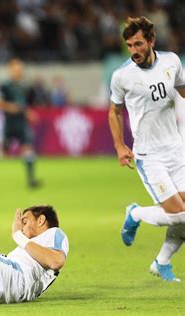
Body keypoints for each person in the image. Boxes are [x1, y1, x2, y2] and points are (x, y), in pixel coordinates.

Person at [108, 16, 185, 281]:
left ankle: (161, 262)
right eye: (129, 45)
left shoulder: (172, 62)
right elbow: (114, 112)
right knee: (178, 215)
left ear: (151, 41)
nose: (133, 50)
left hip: (177, 151)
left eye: (138, 44)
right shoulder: (122, 76)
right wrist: (120, 146)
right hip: (149, 156)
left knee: (184, 216)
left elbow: (183, 91)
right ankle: (136, 213)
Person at [0, 58, 41, 188]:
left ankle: (31, 180)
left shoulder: (24, 86)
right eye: (16, 69)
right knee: (3, 151)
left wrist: (28, 112)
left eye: (21, 69)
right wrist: (9, 107)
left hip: (22, 123)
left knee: (28, 148)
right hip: (9, 124)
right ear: (11, 70)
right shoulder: (4, 85)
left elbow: (22, 105)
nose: (19, 72)